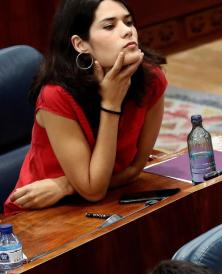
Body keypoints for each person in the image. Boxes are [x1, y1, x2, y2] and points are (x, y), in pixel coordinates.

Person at [4, 0, 168, 214]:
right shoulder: (56, 95)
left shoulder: (151, 79)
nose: (127, 31)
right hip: (41, 213)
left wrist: (65, 186)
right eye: (110, 26)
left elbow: (134, 169)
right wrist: (111, 104)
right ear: (81, 44)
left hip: (109, 198)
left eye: (128, 22)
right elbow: (93, 190)